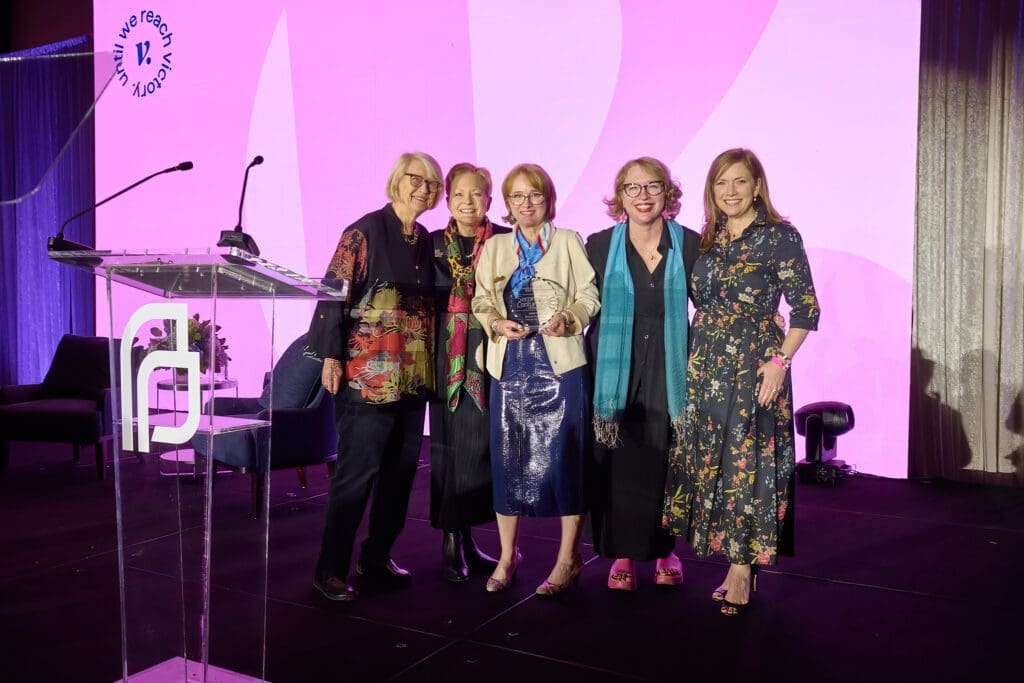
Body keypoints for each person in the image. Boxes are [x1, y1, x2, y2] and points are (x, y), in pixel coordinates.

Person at [663, 148, 820, 615]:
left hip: (755, 366)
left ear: (757, 186)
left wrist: (780, 361)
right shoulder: (708, 239)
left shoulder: (780, 237)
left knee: (748, 463)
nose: (730, 191)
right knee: (716, 463)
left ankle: (741, 566)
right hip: (704, 365)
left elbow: (806, 309)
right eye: (721, 183)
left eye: (739, 182)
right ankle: (734, 555)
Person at [309, 152, 444, 602]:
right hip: (366, 379)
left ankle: (376, 556)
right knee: (356, 475)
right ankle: (330, 570)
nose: (423, 188)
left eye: (431, 183)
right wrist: (329, 355)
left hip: (413, 378)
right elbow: (333, 293)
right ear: (396, 181)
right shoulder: (363, 232)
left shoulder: (426, 241)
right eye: (415, 179)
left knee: (399, 476)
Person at [471, 163, 600, 596]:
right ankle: (508, 556)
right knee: (508, 463)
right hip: (510, 366)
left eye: (535, 196)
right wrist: (495, 322)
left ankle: (568, 558)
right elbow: (481, 301)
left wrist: (571, 317)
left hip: (560, 366)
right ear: (506, 205)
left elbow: (588, 295)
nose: (527, 204)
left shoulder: (566, 242)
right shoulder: (494, 247)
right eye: (517, 197)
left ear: (548, 200)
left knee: (565, 460)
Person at [586, 157, 700, 592]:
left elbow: (713, 299)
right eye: (632, 188)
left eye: (653, 186)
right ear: (620, 198)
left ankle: (665, 551)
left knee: (664, 461)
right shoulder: (598, 245)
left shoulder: (690, 244)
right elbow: (582, 300)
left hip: (670, 369)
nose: (643, 196)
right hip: (614, 370)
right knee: (617, 464)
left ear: (667, 194)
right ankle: (622, 556)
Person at [428, 163, 510, 583]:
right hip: (445, 354)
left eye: (476, 194)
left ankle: (469, 536)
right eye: (459, 194)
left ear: (489, 201)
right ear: (447, 200)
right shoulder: (430, 245)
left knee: (481, 449)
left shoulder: (505, 241)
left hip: (491, 351)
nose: (467, 202)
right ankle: (449, 538)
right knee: (446, 448)